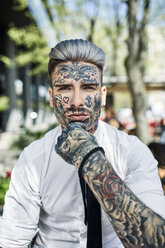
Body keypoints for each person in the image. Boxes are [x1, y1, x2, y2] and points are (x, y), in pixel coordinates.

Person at [0, 39, 165, 248]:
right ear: (52, 97)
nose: (77, 101)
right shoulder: (33, 159)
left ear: (102, 96)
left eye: (88, 87)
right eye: (65, 88)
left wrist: (91, 160)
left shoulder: (132, 152)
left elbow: (156, 242)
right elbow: (12, 241)